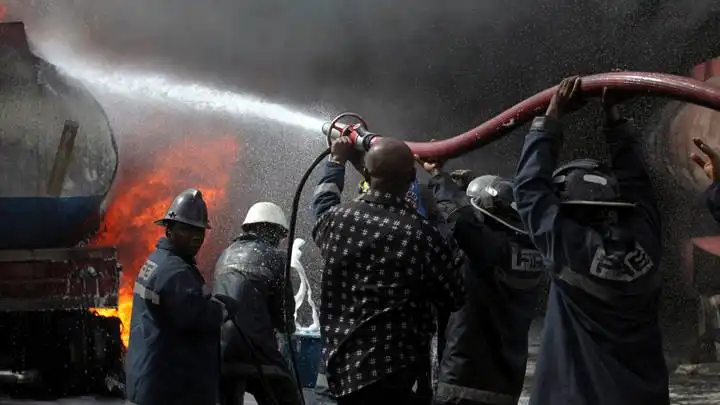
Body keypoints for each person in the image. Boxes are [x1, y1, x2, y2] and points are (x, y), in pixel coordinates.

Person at [513, 76, 669, 405]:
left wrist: (553, 117)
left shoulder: (569, 247)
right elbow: (639, 189)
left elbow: (528, 192)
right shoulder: (646, 245)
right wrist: (613, 124)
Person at [311, 136, 466, 405]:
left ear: (367, 174)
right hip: (392, 382)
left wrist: (336, 161)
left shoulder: (336, 221)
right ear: (410, 179)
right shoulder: (421, 235)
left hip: (334, 376)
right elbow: (454, 297)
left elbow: (323, 202)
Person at [415, 157, 544, 405]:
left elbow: (460, 221)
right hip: (507, 386)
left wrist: (439, 176)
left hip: (464, 382)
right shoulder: (531, 251)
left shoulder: (489, 249)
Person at [125, 188, 238, 405]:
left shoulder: (158, 261)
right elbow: (198, 318)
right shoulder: (175, 273)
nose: (196, 236)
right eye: (186, 229)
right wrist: (224, 307)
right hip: (168, 389)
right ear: (168, 230)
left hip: (150, 379)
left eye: (200, 230)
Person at [213, 201, 303, 405]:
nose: (280, 241)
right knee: (286, 397)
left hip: (222, 349)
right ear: (271, 231)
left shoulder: (224, 255)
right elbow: (284, 315)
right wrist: (288, 328)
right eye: (279, 235)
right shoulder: (275, 257)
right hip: (257, 350)